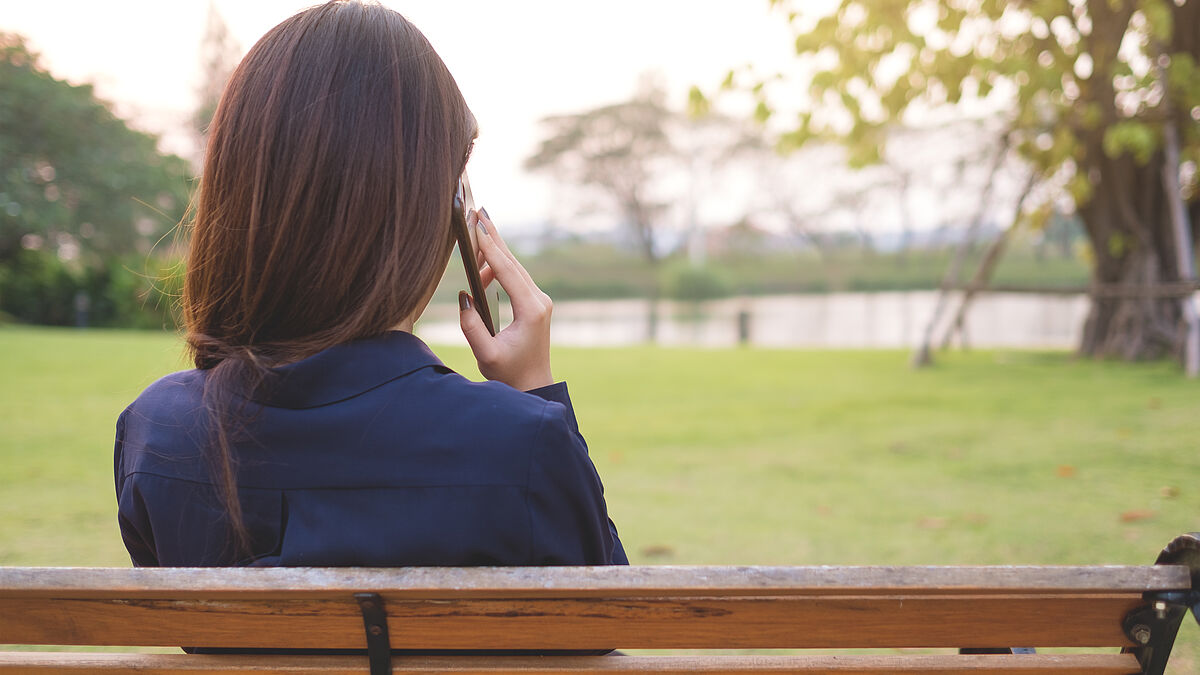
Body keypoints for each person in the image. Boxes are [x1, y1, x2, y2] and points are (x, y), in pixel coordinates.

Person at [114, 0, 626, 569]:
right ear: (439, 210)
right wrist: (535, 391)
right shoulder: (520, 445)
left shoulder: (157, 432)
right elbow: (603, 623)